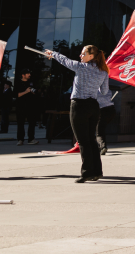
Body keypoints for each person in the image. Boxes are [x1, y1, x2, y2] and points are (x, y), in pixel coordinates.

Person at [43, 45, 109, 182]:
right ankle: (97, 171)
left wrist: (53, 53)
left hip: (79, 106)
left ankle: (87, 173)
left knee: (83, 141)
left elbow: (64, 60)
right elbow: (104, 91)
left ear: (91, 56)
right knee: (91, 140)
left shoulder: (80, 67)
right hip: (93, 106)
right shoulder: (103, 72)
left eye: (83, 53)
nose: (80, 56)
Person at [14, 69, 40, 146]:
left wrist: (34, 92)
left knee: (32, 123)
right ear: (23, 75)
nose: (29, 75)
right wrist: (26, 91)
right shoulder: (18, 83)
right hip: (21, 106)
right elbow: (16, 95)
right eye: (28, 73)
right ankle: (20, 139)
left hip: (31, 106)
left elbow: (37, 93)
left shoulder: (31, 82)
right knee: (20, 123)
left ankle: (31, 139)